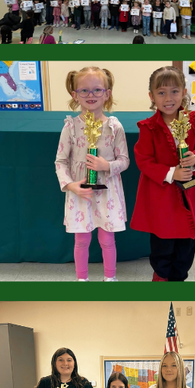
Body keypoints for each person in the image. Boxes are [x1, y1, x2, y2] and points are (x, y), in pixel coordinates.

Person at [131, 66, 195, 281]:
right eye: (161, 92)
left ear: (184, 92)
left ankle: (179, 277)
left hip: (188, 197)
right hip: (162, 199)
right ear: (152, 96)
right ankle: (161, 277)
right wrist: (170, 173)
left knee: (186, 246)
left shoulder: (192, 121)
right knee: (162, 244)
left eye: (174, 91)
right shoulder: (148, 128)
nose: (168, 98)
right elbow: (144, 160)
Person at [54, 66, 129, 282]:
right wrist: (70, 186)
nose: (91, 95)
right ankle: (82, 280)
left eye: (97, 90)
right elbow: (60, 161)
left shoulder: (114, 126)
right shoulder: (70, 127)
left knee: (107, 239)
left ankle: (110, 278)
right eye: (84, 91)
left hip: (108, 193)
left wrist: (106, 166)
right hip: (80, 193)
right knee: (81, 240)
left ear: (107, 93)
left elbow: (124, 160)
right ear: (74, 94)